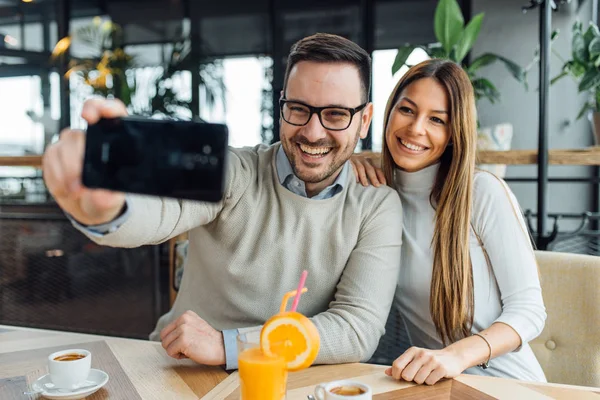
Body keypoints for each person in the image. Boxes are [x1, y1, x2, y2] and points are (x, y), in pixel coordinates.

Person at [42, 33, 403, 370]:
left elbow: (356, 328)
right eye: (298, 109)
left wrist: (230, 346)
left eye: (336, 115)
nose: (313, 131)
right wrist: (107, 210)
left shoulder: (375, 205)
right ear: (281, 106)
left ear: (364, 120)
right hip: (183, 368)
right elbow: (164, 211)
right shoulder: (235, 172)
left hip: (290, 381)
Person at [351, 59, 546, 384]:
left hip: (508, 385)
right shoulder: (377, 193)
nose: (416, 129)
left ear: (455, 133)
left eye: (437, 120)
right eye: (407, 110)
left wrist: (456, 355)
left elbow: (529, 311)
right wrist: (348, 159)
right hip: (437, 388)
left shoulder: (481, 193)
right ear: (389, 112)